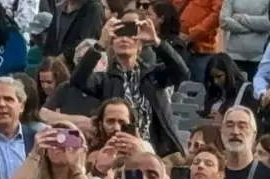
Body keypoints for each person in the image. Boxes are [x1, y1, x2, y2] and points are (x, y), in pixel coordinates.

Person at [70, 13, 188, 159]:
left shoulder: (153, 75)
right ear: (112, 45)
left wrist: (157, 42)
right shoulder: (105, 79)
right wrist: (100, 44)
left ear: (140, 46)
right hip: (118, 150)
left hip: (156, 151)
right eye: (119, 36)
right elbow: (78, 80)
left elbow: (182, 73)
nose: (124, 39)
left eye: (131, 36)